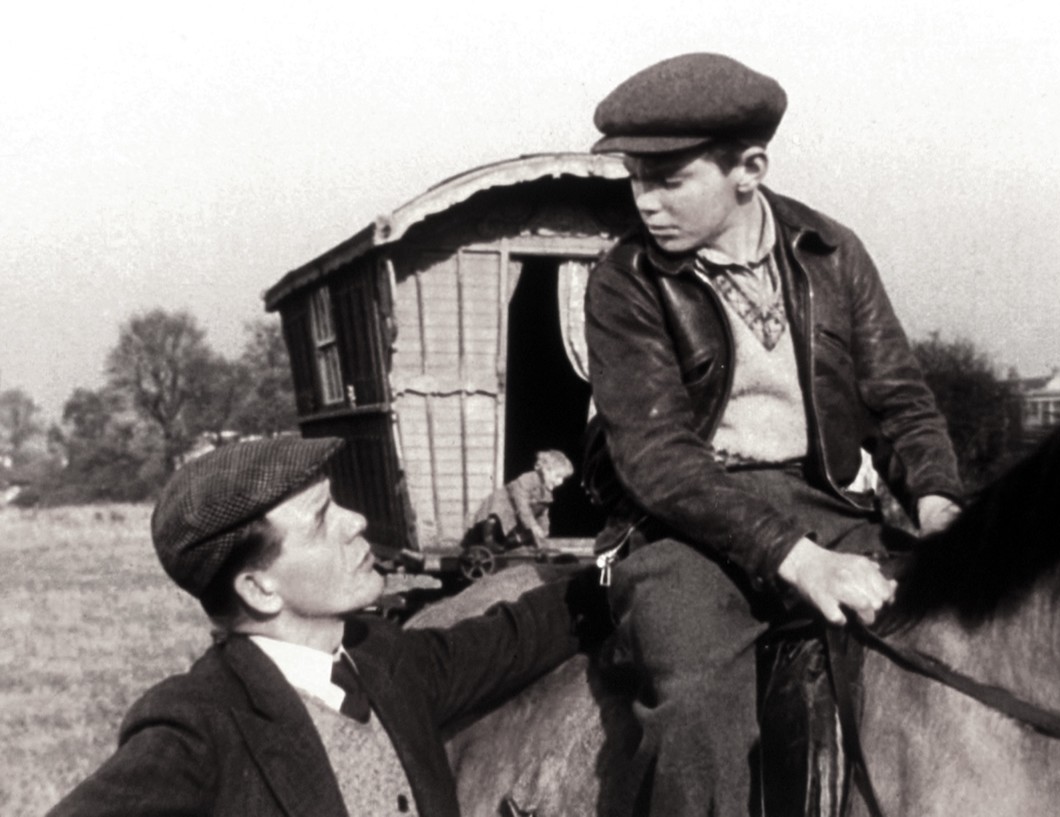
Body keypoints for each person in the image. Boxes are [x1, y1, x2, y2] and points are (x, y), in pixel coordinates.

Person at [583, 53, 964, 816]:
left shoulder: (832, 250)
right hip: (685, 527)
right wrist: (799, 560)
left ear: (749, 168)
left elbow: (895, 394)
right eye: (635, 177)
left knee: (970, 641)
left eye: (669, 179)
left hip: (828, 501)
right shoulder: (624, 278)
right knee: (693, 706)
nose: (645, 202)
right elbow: (658, 461)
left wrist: (937, 498)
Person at [49, 436, 601, 817]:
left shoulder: (387, 661)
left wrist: (621, 571)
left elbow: (516, 635)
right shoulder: (199, 726)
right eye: (319, 519)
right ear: (260, 588)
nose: (356, 521)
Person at [468, 449, 575, 551]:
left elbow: (543, 513)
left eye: (563, 478)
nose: (560, 482)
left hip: (516, 514)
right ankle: (489, 540)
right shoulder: (527, 479)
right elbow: (521, 503)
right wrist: (533, 525)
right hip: (503, 504)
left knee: (530, 525)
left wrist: (543, 530)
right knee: (496, 515)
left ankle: (511, 542)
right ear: (546, 470)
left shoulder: (546, 492)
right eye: (558, 477)